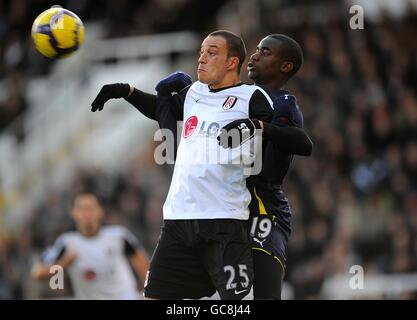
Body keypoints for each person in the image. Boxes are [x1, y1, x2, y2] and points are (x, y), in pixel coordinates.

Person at [90, 32, 312, 300]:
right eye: (256, 49)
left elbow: (302, 143)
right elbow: (168, 110)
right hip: (203, 210)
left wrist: (259, 126)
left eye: (265, 52)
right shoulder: (204, 93)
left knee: (261, 295)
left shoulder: (275, 102)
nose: (254, 55)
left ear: (285, 66)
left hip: (261, 208)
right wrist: (128, 91)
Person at [31, 191, 149, 300]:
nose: (87, 214)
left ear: (100, 211)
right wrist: (64, 263)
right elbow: (37, 273)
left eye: (90, 208)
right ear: (73, 213)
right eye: (81, 209)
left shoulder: (119, 236)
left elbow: (145, 269)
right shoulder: (66, 242)